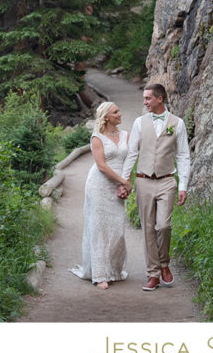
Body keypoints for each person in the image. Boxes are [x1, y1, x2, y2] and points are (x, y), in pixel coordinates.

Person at [120, 83, 190, 292]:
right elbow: (132, 153)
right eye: (144, 98)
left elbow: (183, 155)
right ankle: (153, 274)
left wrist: (183, 186)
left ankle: (165, 263)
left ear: (160, 99)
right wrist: (125, 181)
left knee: (163, 226)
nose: (145, 102)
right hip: (143, 180)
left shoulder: (178, 123)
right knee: (148, 229)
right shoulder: (140, 123)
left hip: (167, 180)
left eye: (148, 98)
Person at [70, 101, 132, 289]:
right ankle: (99, 275)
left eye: (119, 110)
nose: (120, 114)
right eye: (115, 112)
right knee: (98, 228)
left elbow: (129, 161)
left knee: (116, 229)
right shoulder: (97, 137)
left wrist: (124, 184)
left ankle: (113, 270)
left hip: (118, 184)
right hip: (99, 186)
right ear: (106, 117)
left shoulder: (126, 135)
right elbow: (102, 166)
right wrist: (122, 181)